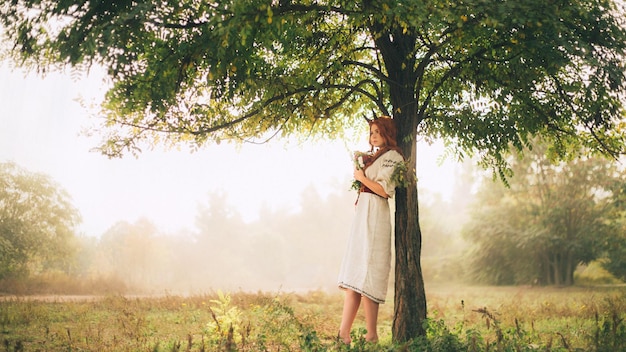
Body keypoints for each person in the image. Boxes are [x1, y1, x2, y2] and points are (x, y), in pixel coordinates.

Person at [337, 116, 404, 345]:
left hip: (375, 214)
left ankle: (372, 334)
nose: (373, 136)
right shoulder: (375, 157)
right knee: (355, 273)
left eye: (377, 131)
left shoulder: (393, 157)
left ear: (388, 133)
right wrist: (360, 170)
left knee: (369, 272)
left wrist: (362, 177)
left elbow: (385, 191)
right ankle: (343, 334)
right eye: (371, 132)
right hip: (363, 214)